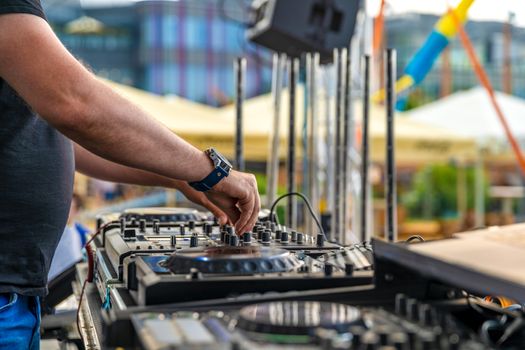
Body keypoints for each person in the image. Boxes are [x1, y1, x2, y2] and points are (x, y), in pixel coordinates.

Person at [0, 1, 260, 348]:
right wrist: (212, 171)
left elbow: (69, 138)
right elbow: (75, 104)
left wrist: (181, 177)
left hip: (16, 293)